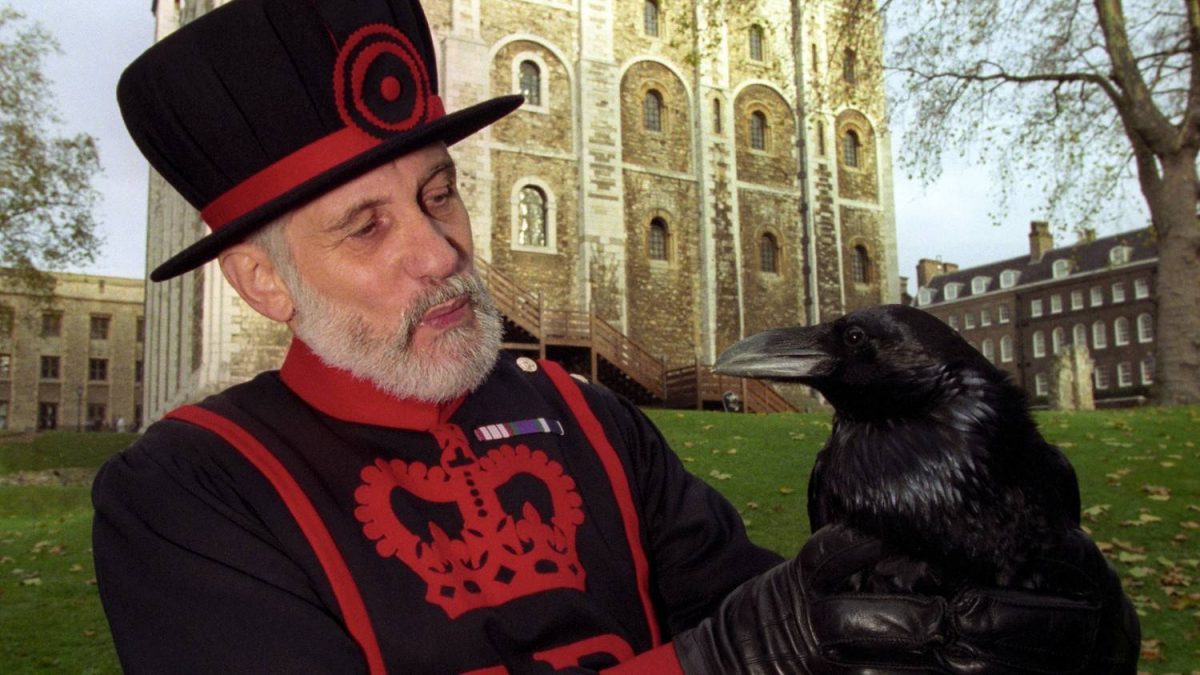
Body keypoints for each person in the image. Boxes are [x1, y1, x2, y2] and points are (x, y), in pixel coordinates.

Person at [93, 0, 1138, 673]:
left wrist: (991, 609)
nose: (442, 250)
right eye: (367, 226)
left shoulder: (590, 421)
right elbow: (746, 640)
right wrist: (716, 663)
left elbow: (792, 610)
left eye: (441, 194)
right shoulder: (186, 494)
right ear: (262, 282)